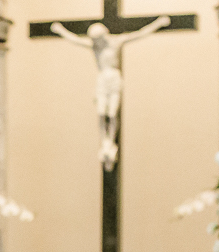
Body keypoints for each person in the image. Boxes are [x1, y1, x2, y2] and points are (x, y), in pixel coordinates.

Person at [49, 15, 170, 170]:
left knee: (112, 113)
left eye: (96, 39)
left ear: (103, 36)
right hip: (102, 80)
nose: (94, 42)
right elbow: (75, 40)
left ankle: (110, 141)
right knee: (101, 112)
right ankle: (104, 142)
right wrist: (60, 30)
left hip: (114, 79)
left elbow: (139, 34)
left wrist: (158, 24)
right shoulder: (94, 47)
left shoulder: (116, 42)